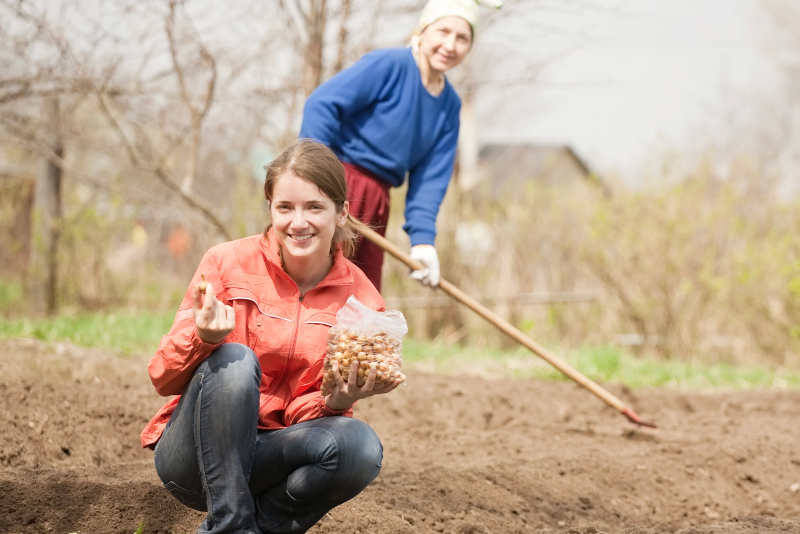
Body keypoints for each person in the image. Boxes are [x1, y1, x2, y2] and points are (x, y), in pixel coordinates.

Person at [140, 139, 405, 534]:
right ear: (271, 209)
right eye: (286, 207)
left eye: (314, 207)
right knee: (235, 361)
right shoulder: (225, 263)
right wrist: (203, 338)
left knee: (360, 447)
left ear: (341, 212)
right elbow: (162, 378)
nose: (298, 223)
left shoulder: (362, 299)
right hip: (195, 458)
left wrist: (336, 402)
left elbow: (307, 423)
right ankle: (232, 524)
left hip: (271, 457)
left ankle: (254, 528)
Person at [300, 0, 502, 293]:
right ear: (423, 29)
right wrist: (314, 182)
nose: (450, 44)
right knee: (316, 282)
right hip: (337, 184)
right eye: (443, 31)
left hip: (378, 201)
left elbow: (429, 184)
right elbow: (322, 106)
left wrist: (423, 242)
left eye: (462, 38)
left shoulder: (449, 107)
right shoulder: (389, 65)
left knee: (362, 296)